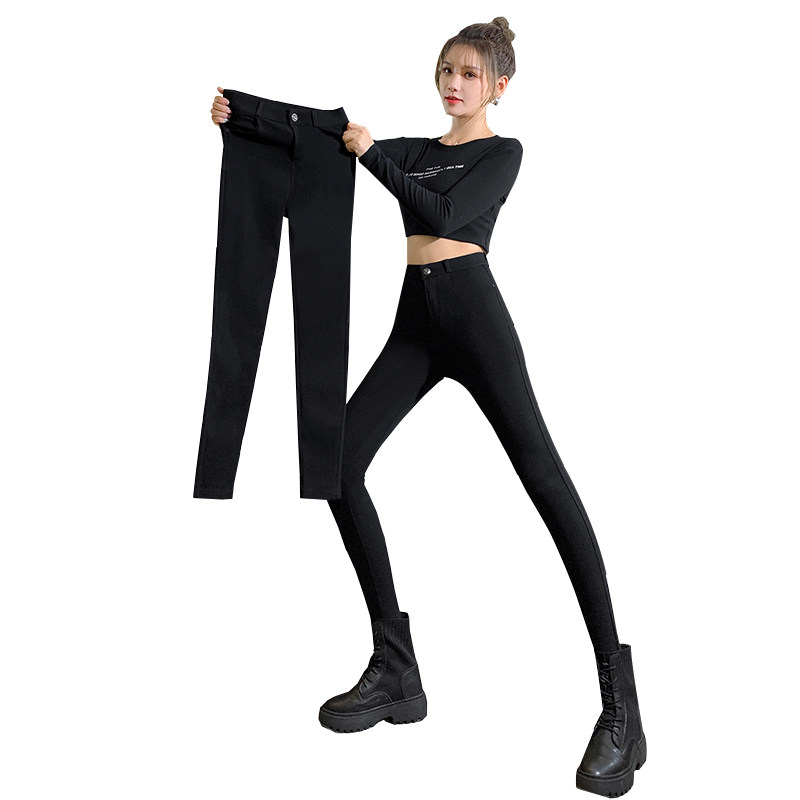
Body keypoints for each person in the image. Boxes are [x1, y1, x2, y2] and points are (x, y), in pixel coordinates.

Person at [209, 16, 646, 797]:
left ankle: (621, 709)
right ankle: (396, 668)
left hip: (475, 318)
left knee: (546, 482)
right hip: (417, 322)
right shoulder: (414, 149)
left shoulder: (502, 153)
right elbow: (327, 140)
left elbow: (442, 216)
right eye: (447, 69)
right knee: (337, 462)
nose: (455, 83)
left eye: (471, 74)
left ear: (500, 86)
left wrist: (373, 154)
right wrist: (245, 121)